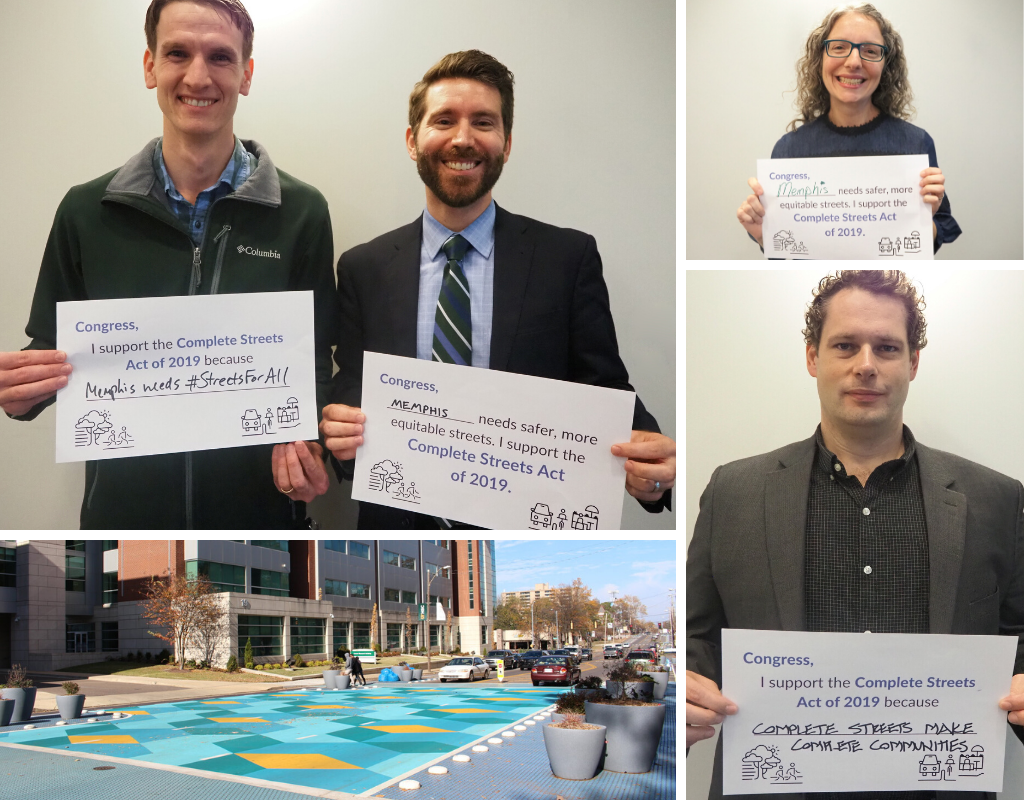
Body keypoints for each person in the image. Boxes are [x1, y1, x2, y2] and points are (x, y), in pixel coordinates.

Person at [686, 271, 1024, 800]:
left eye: (887, 347)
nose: (865, 364)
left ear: (912, 362)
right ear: (812, 358)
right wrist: (682, 691)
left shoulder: (996, 499)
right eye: (845, 345)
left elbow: (1019, 637)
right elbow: (694, 634)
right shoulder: (734, 491)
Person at [0, 0, 336, 528]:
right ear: (150, 66)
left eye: (221, 57)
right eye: (177, 52)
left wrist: (310, 446)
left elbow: (313, 363)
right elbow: (52, 347)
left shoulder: (302, 213)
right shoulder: (86, 211)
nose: (198, 76)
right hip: (122, 522)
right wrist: (20, 393)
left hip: (256, 518)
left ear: (246, 75)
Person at [306, 49, 676, 529]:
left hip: (527, 531)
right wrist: (336, 430)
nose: (463, 139)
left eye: (483, 122)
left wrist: (654, 467)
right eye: (443, 121)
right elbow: (352, 386)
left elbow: (602, 388)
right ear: (412, 141)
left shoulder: (567, 259)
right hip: (398, 525)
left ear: (506, 141)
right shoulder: (362, 267)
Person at [736, 4, 960, 255]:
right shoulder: (789, 150)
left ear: (886, 64)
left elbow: (938, 231)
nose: (854, 62)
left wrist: (921, 220)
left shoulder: (915, 143)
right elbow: (791, 256)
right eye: (839, 47)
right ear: (821, 57)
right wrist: (764, 236)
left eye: (870, 51)